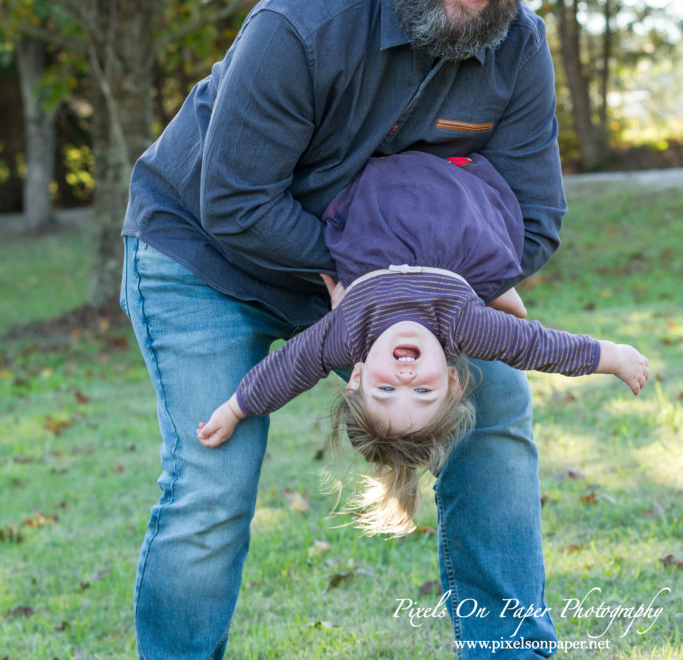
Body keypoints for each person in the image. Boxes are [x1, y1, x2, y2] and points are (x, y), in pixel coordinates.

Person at [121, 0, 582, 659]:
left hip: (368, 278)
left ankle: (513, 651)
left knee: (499, 407)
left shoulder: (517, 53)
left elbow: (536, 222)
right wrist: (389, 279)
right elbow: (234, 200)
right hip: (200, 256)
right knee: (213, 477)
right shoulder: (304, 22)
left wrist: (432, 285)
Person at [195, 152, 648, 536]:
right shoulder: (462, 326)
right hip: (456, 195)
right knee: (504, 301)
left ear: (356, 376)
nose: (405, 378)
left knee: (345, 235)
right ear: (452, 380)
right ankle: (498, 294)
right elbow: (542, 348)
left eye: (387, 390)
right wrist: (614, 358)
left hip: (377, 194)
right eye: (423, 391)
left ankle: (501, 297)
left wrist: (235, 408)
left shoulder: (348, 331)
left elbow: (289, 369)